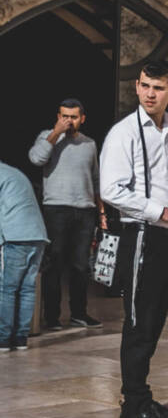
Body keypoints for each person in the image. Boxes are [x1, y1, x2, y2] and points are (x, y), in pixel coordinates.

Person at [100, 59, 168, 418]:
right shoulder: (124, 133)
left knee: (155, 319)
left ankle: (141, 397)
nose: (149, 94)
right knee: (139, 321)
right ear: (137, 87)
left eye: (157, 88)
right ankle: (134, 405)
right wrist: (161, 211)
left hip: (164, 237)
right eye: (144, 85)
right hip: (140, 234)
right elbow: (110, 190)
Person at [28, 98, 105, 331]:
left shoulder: (89, 143)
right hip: (56, 209)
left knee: (81, 265)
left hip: (85, 210)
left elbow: (96, 179)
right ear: (58, 117)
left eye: (73, 117)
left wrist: (101, 211)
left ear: (82, 119)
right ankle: (52, 317)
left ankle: (79, 314)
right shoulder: (47, 137)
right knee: (55, 263)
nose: (68, 121)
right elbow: (36, 159)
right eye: (64, 116)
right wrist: (56, 133)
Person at [0, 160, 48, 351]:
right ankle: (21, 338)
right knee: (27, 289)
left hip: (15, 236)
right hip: (38, 235)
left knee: (7, 289)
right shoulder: (13, 172)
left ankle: (3, 338)